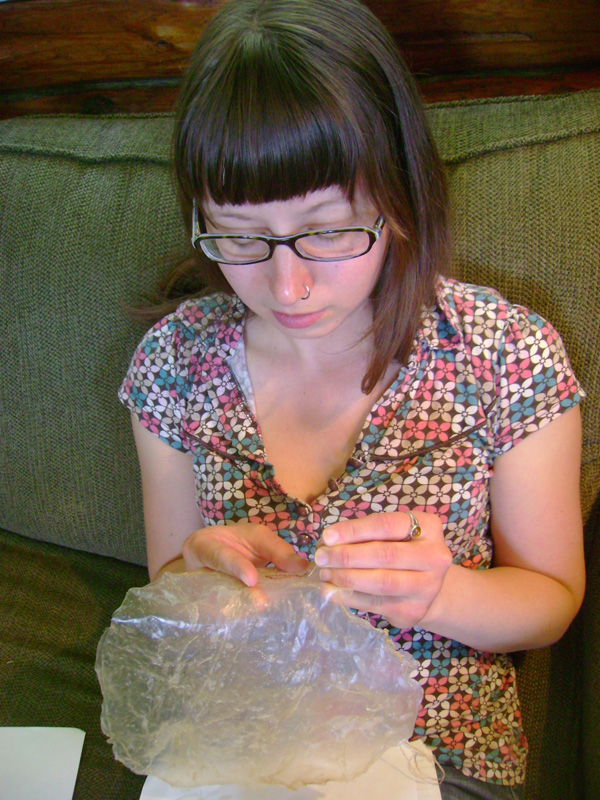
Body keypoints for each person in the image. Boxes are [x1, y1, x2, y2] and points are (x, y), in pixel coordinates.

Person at [118, 1, 586, 797]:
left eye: (327, 231)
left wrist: (443, 592)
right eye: (239, 237)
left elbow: (551, 601)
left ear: (398, 196)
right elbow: (169, 578)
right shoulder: (174, 365)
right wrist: (197, 574)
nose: (287, 285)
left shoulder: (507, 354)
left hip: (434, 752)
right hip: (244, 739)